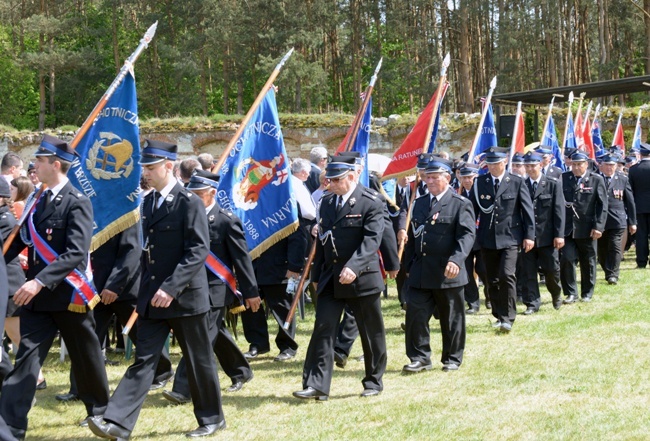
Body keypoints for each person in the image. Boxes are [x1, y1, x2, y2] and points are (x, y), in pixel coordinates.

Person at [88, 139, 225, 439]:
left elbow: (197, 251)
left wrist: (172, 287)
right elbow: (147, 253)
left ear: (168, 167)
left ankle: (212, 419)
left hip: (185, 296)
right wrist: (145, 295)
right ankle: (118, 422)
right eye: (145, 168)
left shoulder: (189, 202)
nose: (146, 173)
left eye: (150, 168)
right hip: (153, 298)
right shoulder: (148, 203)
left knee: (198, 359)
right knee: (144, 359)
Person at [2, 135, 110, 440]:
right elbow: (22, 241)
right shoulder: (38, 199)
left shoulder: (77, 201)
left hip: (68, 296)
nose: (34, 165)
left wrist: (38, 281)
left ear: (56, 164)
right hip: (37, 303)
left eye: (40, 161)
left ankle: (101, 412)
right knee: (26, 363)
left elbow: (75, 252)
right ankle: (8, 429)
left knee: (86, 357)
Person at [162, 170, 260, 404]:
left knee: (200, 337)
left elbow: (241, 259)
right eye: (190, 193)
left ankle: (182, 389)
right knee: (216, 334)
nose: (192, 198)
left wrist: (251, 292)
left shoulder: (226, 220)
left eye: (198, 194)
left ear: (212, 193)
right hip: (192, 287)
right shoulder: (183, 217)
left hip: (217, 288)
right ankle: (241, 371)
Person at [294, 155, 387, 400]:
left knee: (370, 332)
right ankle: (317, 385)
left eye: (336, 180)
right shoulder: (326, 202)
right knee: (323, 329)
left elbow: (371, 240)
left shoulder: (371, 202)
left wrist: (354, 266)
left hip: (362, 277)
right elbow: (322, 242)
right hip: (331, 277)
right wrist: (316, 275)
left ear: (352, 177)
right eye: (328, 180)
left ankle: (373, 381)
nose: (330, 184)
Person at [55, 222, 175, 403]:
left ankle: (162, 372)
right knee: (86, 339)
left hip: (123, 290)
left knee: (142, 337)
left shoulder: (125, 214)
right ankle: (79, 388)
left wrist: (114, 286)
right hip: (94, 288)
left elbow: (131, 253)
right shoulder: (94, 212)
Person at [402, 158, 475, 373]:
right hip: (421, 270)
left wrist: (456, 259)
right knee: (415, 315)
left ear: (448, 178)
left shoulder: (460, 203)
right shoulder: (420, 202)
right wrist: (409, 265)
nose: (430, 181)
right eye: (427, 177)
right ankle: (420, 357)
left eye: (435, 177)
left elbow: (467, 235)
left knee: (451, 317)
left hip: (447, 270)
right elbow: (415, 237)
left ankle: (452, 357)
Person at [470, 148, 535, 333]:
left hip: (511, 237)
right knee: (492, 279)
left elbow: (527, 211)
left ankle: (508, 317)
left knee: (507, 275)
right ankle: (499, 315)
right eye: (489, 163)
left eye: (495, 163)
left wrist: (529, 236)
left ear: (504, 162)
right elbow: (472, 211)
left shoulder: (516, 182)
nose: (492, 167)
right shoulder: (480, 183)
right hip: (487, 238)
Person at [560, 151, 608, 303]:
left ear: (586, 164)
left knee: (588, 261)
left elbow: (602, 205)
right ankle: (571, 293)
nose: (576, 167)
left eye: (579, 164)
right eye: (573, 164)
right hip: (567, 228)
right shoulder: (563, 178)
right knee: (566, 259)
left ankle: (587, 292)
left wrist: (599, 226)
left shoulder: (596, 179)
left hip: (587, 228)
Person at [520, 152, 565, 313]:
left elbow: (559, 211)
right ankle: (532, 303)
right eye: (527, 166)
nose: (530, 169)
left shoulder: (552, 184)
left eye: (533, 165)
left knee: (551, 270)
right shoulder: (521, 184)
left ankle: (556, 293)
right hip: (527, 238)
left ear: (541, 165)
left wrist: (559, 234)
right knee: (528, 272)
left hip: (547, 236)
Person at [597, 154, 636, 284]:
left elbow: (630, 202)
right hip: (599, 220)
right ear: (601, 166)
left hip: (617, 219)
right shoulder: (595, 179)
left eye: (612, 165)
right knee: (601, 249)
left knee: (615, 246)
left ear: (616, 166)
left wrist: (632, 222)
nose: (609, 168)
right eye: (607, 165)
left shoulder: (622, 179)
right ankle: (607, 270)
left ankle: (613, 273)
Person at [457, 164, 489, 314]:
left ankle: (490, 295)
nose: (467, 180)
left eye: (470, 177)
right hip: (463, 238)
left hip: (481, 237)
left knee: (483, 269)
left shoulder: (482, 191)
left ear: (476, 176)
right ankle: (473, 302)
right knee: (467, 271)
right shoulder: (457, 193)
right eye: (464, 177)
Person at [627, 143, 650, 268]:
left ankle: (641, 261)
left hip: (639, 206)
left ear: (640, 154)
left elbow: (630, 190)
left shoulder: (633, 169)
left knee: (641, 236)